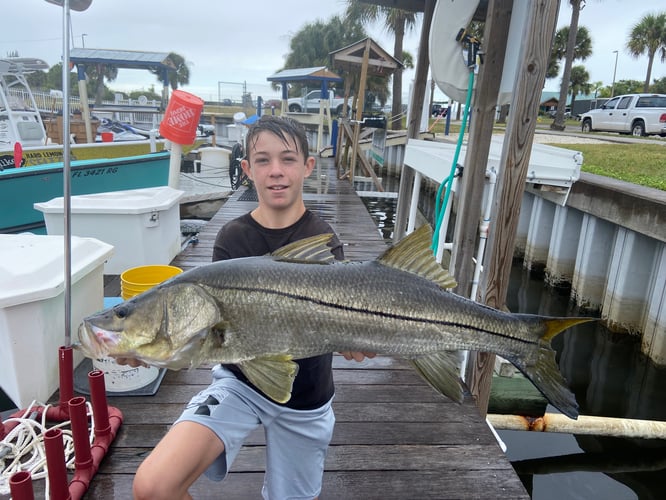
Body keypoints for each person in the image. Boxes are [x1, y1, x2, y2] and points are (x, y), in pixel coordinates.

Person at [132, 115, 373, 500]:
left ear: (308, 166)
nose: (276, 171)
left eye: (288, 159)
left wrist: (353, 336)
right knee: (154, 485)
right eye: (262, 160)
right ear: (247, 169)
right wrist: (149, 348)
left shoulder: (324, 239)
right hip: (240, 383)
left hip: (306, 394)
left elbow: (337, 322)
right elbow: (205, 336)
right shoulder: (231, 237)